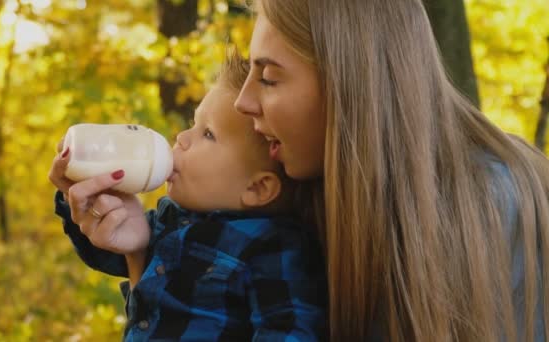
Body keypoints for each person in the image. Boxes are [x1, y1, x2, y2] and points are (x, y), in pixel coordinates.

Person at [232, 0, 549, 341]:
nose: (243, 102)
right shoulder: (304, 195)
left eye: (268, 78)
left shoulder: (495, 198)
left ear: (350, 82)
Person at [49, 54, 327, 341]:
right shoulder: (170, 219)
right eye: (193, 124)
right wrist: (80, 198)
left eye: (207, 134)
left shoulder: (272, 246)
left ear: (257, 189)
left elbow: (289, 330)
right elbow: (106, 253)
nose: (181, 137)